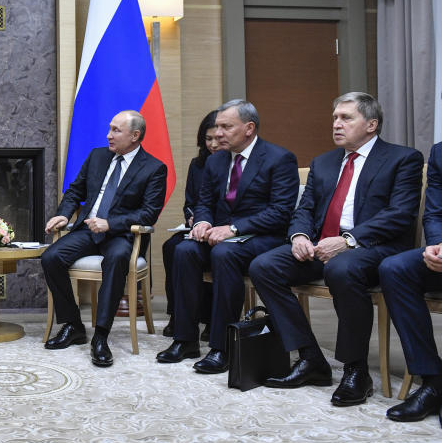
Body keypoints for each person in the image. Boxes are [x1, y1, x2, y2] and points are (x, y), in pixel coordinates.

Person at [250, 92, 422, 407]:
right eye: (334, 118)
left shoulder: (403, 159)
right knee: (265, 265)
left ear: (371, 124)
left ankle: (356, 370)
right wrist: (299, 236)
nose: (336, 124)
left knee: (342, 268)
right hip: (321, 246)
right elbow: (304, 209)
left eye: (346, 118)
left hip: (374, 248)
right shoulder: (324, 162)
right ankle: (310, 357)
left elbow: (400, 214)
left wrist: (349, 240)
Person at [157, 99, 299, 374]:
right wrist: (203, 221)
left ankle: (221, 346)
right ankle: (184, 339)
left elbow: (280, 213)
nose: (218, 133)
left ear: (248, 128)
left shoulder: (279, 158)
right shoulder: (216, 161)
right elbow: (204, 201)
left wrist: (233, 229)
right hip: (219, 235)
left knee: (225, 253)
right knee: (183, 250)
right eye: (217, 127)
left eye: (225, 127)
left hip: (261, 237)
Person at [40, 110, 167, 367]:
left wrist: (110, 223)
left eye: (116, 131)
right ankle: (73, 325)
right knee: (51, 257)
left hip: (121, 234)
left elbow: (148, 213)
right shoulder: (98, 156)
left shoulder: (154, 168)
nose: (109, 135)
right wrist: (64, 215)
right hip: (87, 228)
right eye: (110, 129)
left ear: (135, 135)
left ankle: (101, 336)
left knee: (117, 257)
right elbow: (75, 190)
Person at [379, 141, 442, 421]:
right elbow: (435, 212)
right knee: (396, 268)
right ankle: (433, 380)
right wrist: (437, 244)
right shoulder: (441, 152)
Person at [162, 110, 223, 338]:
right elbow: (190, 202)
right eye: (208, 140)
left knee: (209, 254)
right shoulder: (197, 165)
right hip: (198, 227)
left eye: (217, 139)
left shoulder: (234, 165)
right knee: (171, 247)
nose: (213, 144)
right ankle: (177, 314)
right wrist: (192, 217)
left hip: (223, 231)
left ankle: (209, 318)